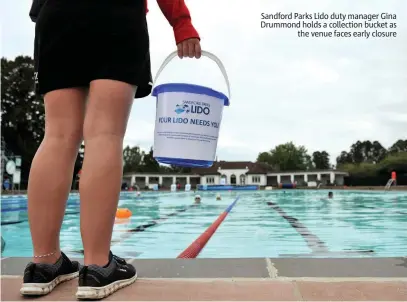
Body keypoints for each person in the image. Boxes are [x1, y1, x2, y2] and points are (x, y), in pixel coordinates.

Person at [21, 0, 201, 299]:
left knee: (57, 135)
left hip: (57, 14)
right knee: (104, 133)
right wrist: (182, 23)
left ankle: (43, 263)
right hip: (115, 13)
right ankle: (97, 266)